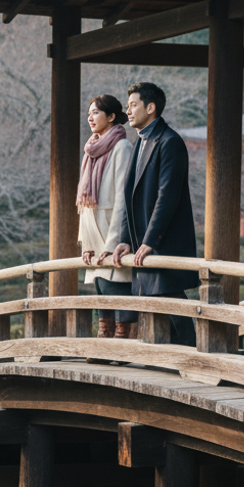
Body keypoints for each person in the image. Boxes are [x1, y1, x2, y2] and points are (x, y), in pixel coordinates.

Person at [103, 81, 198, 347]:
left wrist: (149, 240)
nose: (128, 111)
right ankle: (170, 360)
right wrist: (125, 239)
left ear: (151, 107)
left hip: (163, 240)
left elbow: (167, 197)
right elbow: (128, 198)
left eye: (134, 105)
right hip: (143, 241)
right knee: (155, 303)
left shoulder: (170, 142)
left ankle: (194, 357)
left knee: (170, 299)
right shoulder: (140, 141)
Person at [77, 94, 135, 347]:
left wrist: (114, 241)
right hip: (94, 231)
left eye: (96, 113)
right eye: (89, 113)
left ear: (111, 117)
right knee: (102, 293)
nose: (90, 117)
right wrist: (86, 243)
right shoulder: (90, 148)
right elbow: (84, 203)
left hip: (112, 231)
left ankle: (119, 346)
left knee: (117, 290)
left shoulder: (122, 147)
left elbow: (124, 198)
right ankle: (104, 345)